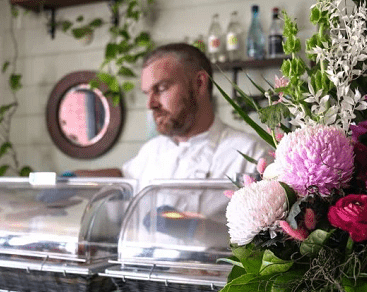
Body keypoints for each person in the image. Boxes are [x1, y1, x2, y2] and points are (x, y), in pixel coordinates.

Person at [76, 43, 271, 190]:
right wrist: (72, 179)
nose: (150, 104)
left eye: (161, 89)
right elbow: (123, 176)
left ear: (200, 83)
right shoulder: (152, 151)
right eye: (147, 93)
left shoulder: (251, 153)